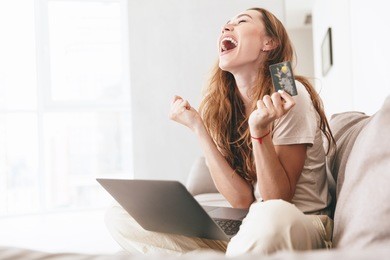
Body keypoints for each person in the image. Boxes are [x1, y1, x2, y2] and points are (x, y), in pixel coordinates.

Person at [105, 7, 335, 256]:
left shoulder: (290, 95)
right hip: (249, 224)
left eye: (242, 21)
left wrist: (259, 131)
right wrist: (198, 127)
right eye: (226, 24)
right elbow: (242, 201)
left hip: (297, 222)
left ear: (269, 42)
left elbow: (276, 200)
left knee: (269, 216)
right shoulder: (224, 107)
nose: (225, 28)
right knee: (121, 216)